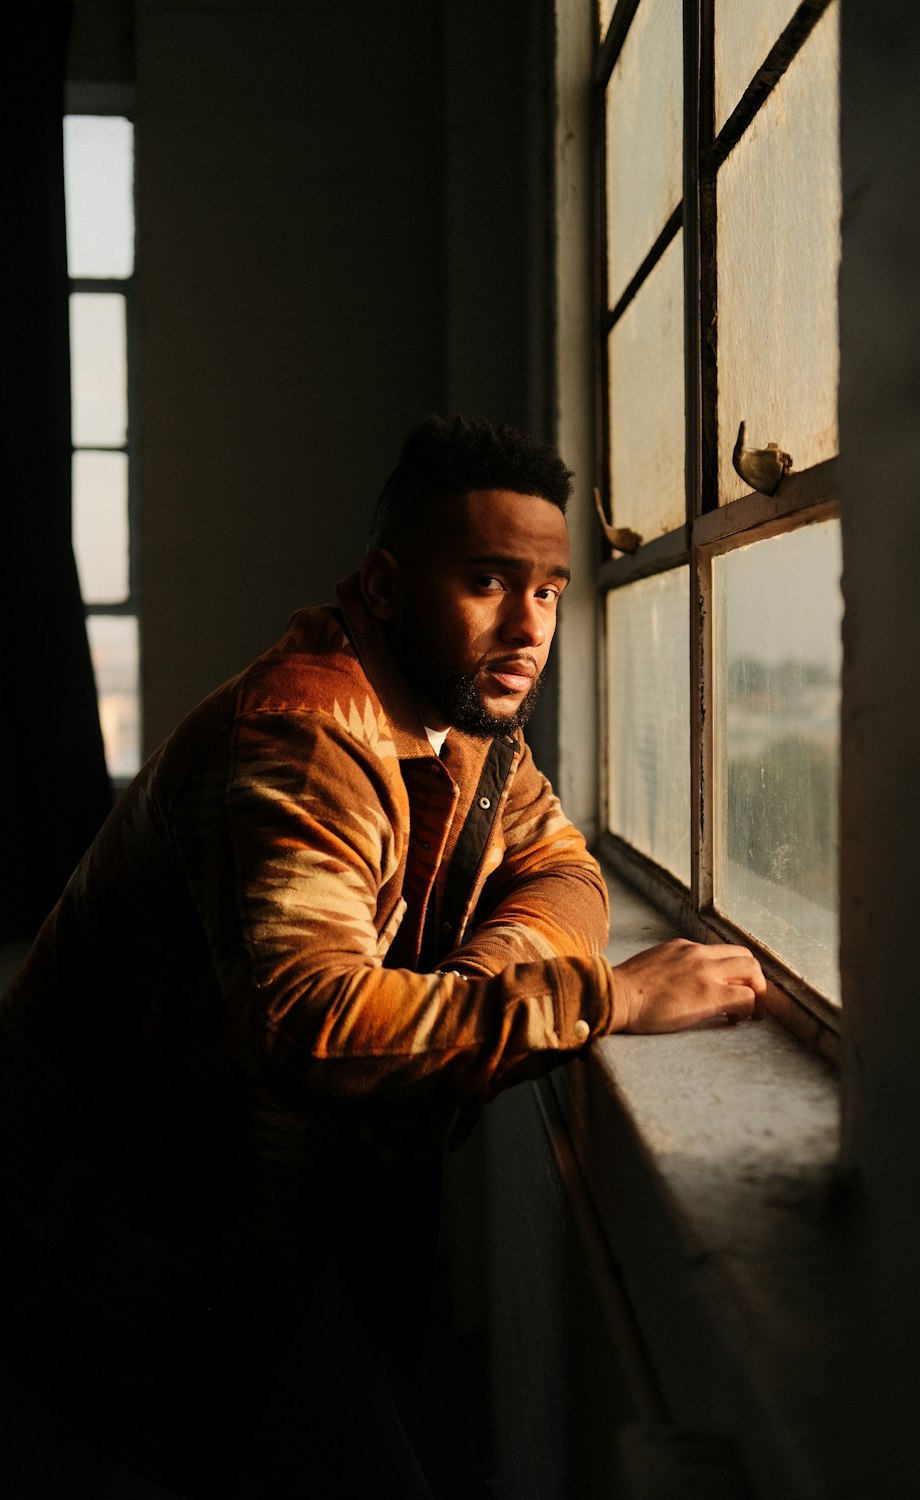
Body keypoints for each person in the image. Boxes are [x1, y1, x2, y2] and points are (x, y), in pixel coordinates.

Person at [0, 415, 765, 1498]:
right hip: (108, 1249)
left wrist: (469, 987)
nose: (528, 624)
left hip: (245, 1236)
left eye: (546, 588)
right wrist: (607, 1002)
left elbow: (564, 874)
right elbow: (318, 1032)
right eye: (489, 580)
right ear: (383, 585)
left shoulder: (466, 729)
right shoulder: (301, 738)